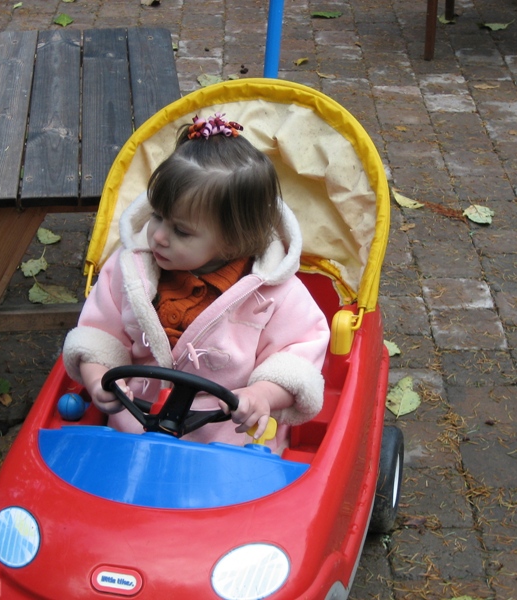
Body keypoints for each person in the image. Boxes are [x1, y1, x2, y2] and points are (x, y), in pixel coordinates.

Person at [62, 113, 330, 451]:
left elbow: (298, 356)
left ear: (232, 242)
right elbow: (100, 333)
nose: (158, 236)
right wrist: (97, 374)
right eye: (157, 216)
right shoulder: (131, 272)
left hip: (228, 440)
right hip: (134, 426)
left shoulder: (273, 295)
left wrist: (263, 394)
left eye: (181, 231)